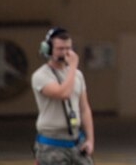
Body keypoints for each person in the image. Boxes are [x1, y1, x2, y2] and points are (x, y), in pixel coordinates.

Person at [30, 27, 95, 164]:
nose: (65, 53)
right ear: (48, 49)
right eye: (60, 48)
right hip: (51, 143)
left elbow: (84, 109)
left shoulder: (77, 75)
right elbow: (62, 93)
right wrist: (72, 67)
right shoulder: (41, 76)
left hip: (76, 140)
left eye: (68, 48)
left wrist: (90, 140)